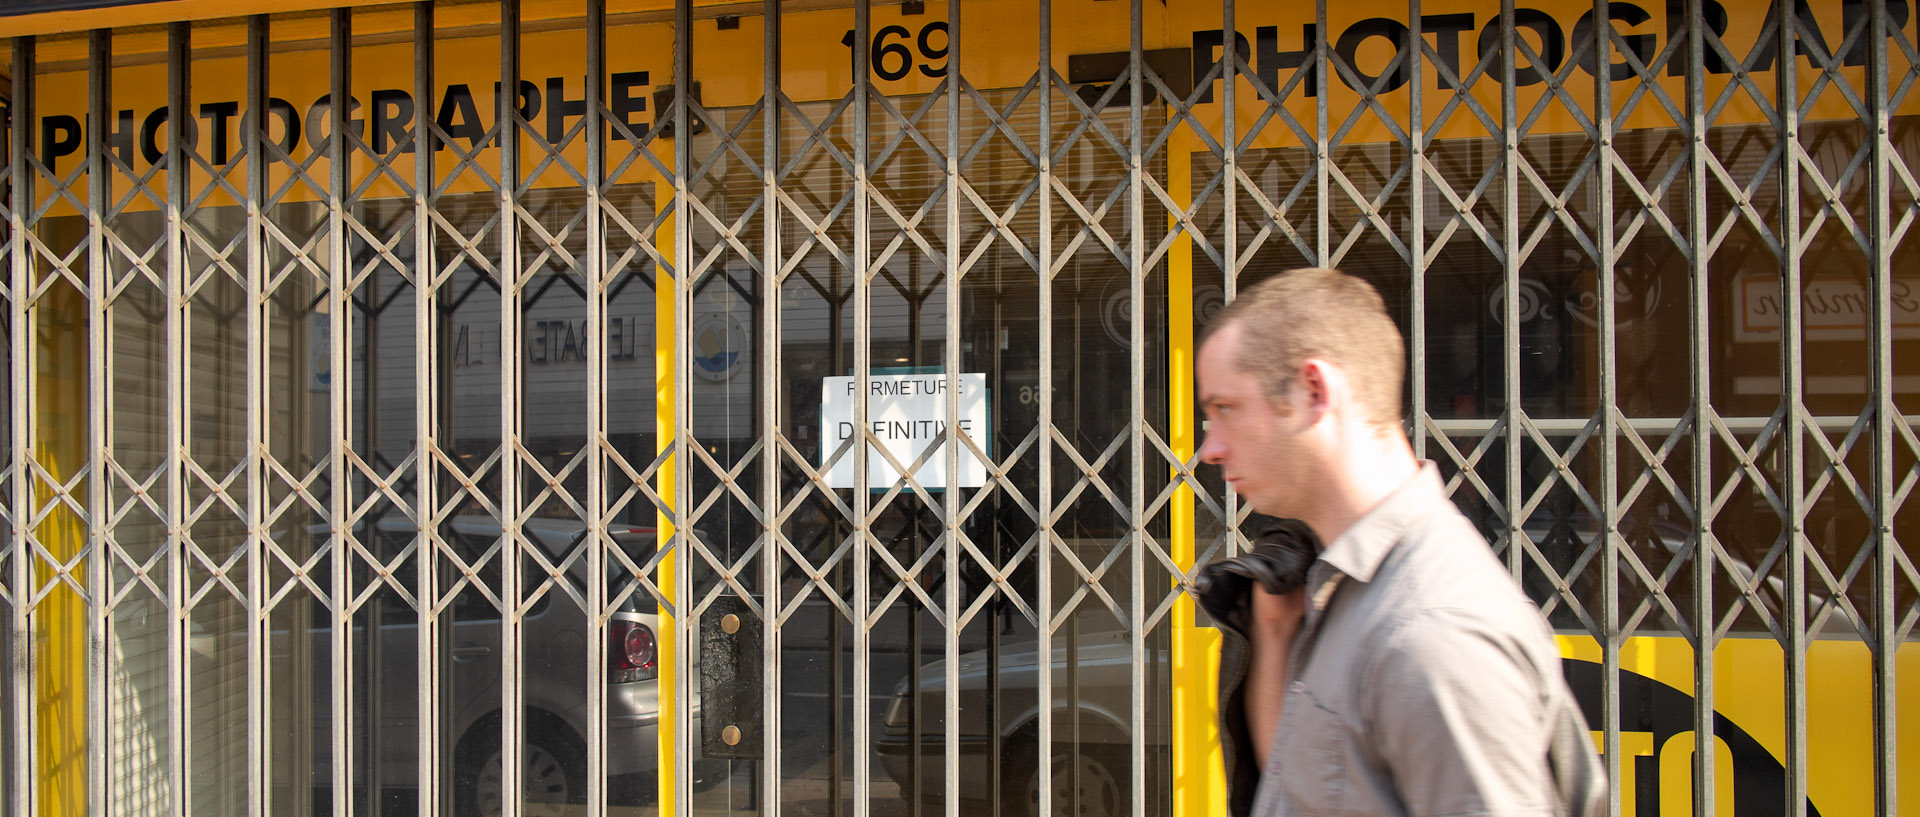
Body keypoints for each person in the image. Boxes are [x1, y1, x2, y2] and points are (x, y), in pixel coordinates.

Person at [1192, 268, 1606, 817]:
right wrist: (1271, 635)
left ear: (1314, 391)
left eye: (1226, 409)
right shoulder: (1331, 591)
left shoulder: (1434, 635)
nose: (1209, 449)